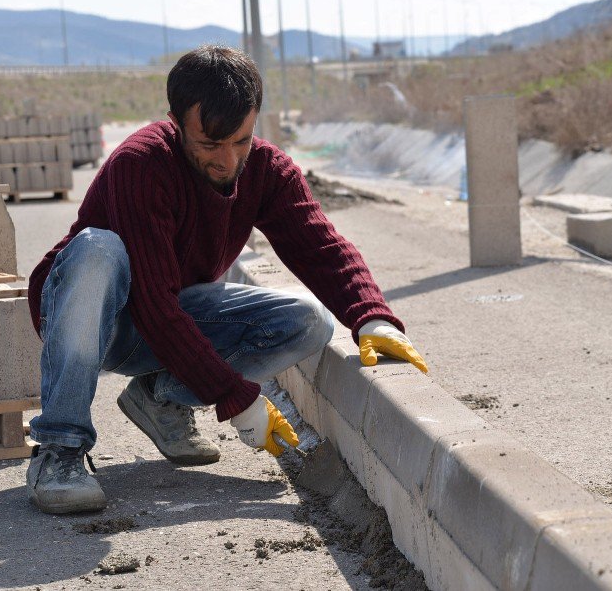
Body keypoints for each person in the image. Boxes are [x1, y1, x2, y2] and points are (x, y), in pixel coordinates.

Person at [25, 45, 429, 514]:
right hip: (97, 319)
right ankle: (59, 450)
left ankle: (159, 399)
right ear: (175, 122)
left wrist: (372, 317)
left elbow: (319, 244)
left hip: (169, 310)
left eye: (240, 140)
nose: (227, 160)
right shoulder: (141, 164)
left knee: (307, 322)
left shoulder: (267, 169)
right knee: (99, 248)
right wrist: (235, 399)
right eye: (210, 144)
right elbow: (153, 305)